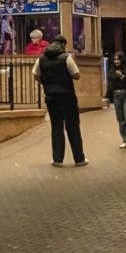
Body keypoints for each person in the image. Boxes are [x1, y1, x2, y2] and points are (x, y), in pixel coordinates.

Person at [35, 35, 87, 166]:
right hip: (67, 96)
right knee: (72, 126)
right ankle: (79, 159)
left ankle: (57, 159)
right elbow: (76, 75)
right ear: (64, 44)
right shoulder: (66, 57)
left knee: (56, 127)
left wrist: (46, 83)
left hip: (50, 97)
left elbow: (36, 74)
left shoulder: (41, 58)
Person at [106, 53, 126, 148]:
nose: (116, 61)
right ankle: (124, 139)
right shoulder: (112, 71)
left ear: (122, 60)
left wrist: (122, 77)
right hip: (116, 95)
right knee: (120, 119)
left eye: (118, 59)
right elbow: (111, 85)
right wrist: (107, 96)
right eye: (115, 59)